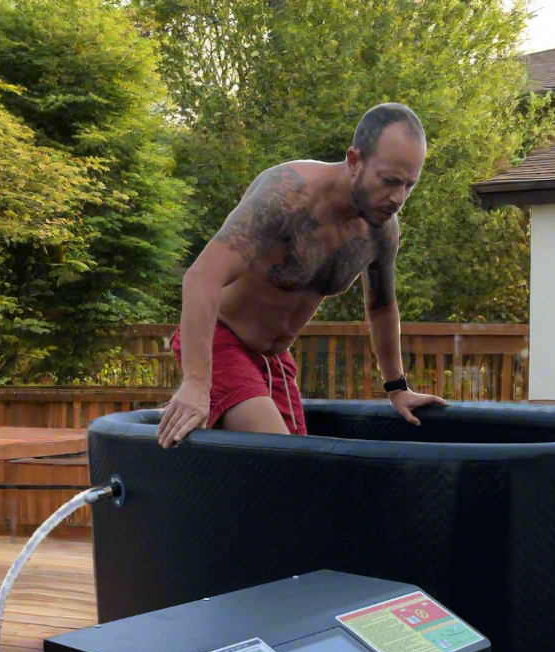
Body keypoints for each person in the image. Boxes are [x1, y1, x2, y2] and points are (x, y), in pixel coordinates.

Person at [156, 103, 447, 448]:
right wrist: (196, 383)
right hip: (222, 342)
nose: (398, 198)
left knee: (302, 475)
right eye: (389, 181)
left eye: (409, 185)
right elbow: (201, 278)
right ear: (354, 161)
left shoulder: (380, 231)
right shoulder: (286, 194)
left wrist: (397, 389)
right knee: (285, 463)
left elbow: (382, 308)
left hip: (275, 361)